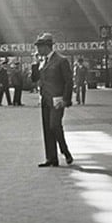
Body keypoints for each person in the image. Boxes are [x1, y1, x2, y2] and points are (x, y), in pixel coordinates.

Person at [32, 32, 73, 167]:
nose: (37, 49)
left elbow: (68, 81)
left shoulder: (61, 60)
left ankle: (65, 151)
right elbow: (34, 79)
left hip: (57, 99)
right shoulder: (42, 62)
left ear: (47, 47)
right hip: (45, 99)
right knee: (47, 128)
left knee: (54, 125)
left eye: (39, 46)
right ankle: (51, 158)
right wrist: (35, 64)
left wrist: (66, 100)